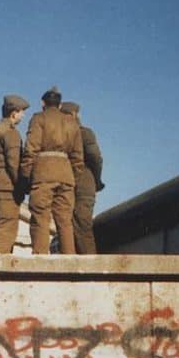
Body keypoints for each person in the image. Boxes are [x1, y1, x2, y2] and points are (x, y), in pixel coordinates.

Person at [19, 86, 84, 254]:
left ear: (43, 103)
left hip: (43, 173)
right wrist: (73, 178)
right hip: (66, 174)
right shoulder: (72, 123)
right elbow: (78, 156)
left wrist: (26, 175)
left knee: (40, 218)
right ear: (60, 105)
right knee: (65, 221)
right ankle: (69, 260)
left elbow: (30, 149)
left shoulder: (38, 119)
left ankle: (40, 260)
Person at [0, 94, 30, 253]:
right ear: (13, 113)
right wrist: (23, 186)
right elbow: (14, 164)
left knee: (1, 228)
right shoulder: (11, 133)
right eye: (21, 112)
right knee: (7, 230)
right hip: (7, 186)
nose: (23, 115)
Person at [61, 101, 105, 254]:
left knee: (72, 224)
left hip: (70, 180)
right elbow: (96, 158)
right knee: (81, 224)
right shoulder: (85, 132)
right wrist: (96, 180)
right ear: (75, 114)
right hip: (84, 179)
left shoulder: (61, 135)